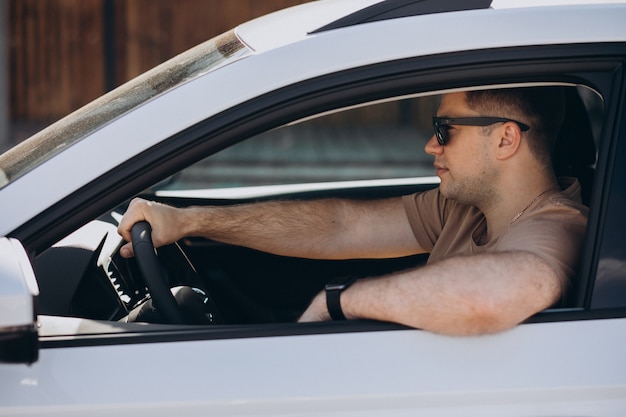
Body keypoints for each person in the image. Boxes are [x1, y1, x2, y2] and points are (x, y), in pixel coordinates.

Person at [118, 87, 588, 336]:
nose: (430, 144)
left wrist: (337, 301)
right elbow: (342, 226)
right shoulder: (462, 210)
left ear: (505, 138)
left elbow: (503, 290)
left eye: (445, 130)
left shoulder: (559, 225)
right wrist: (188, 220)